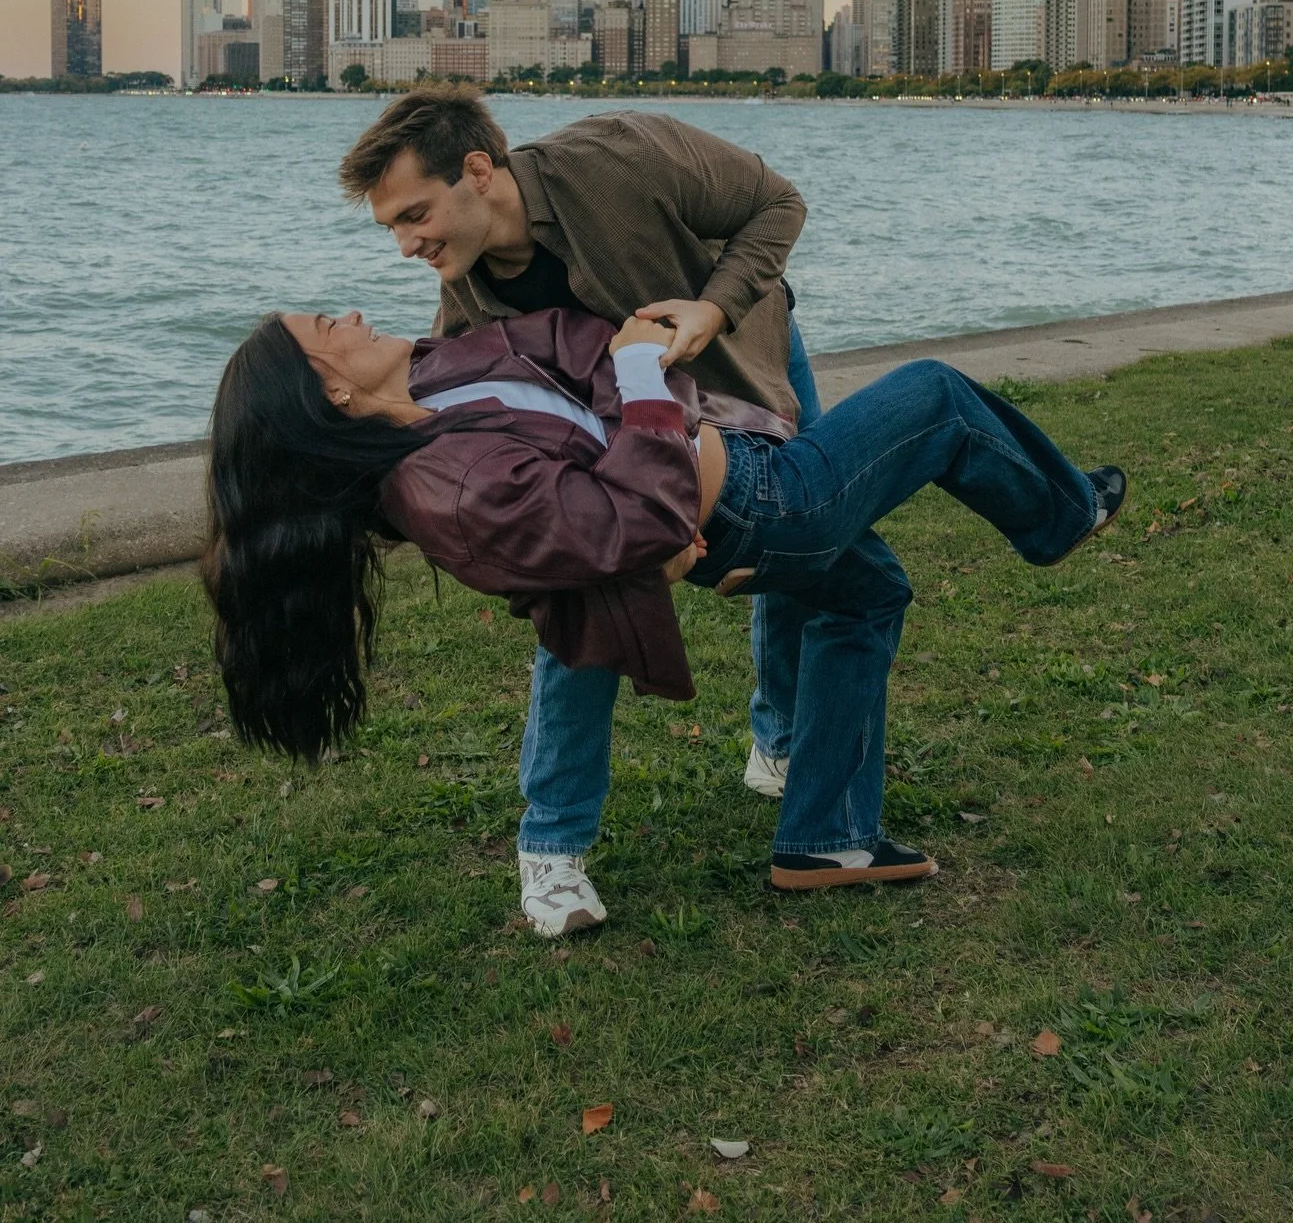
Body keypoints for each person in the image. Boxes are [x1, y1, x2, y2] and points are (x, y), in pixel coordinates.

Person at [204, 301, 1126, 931]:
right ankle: (1063, 514)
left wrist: (637, 398)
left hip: (728, 485)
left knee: (869, 592)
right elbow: (634, 507)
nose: (355, 315)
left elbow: (579, 342)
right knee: (934, 396)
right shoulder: (446, 484)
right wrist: (645, 395)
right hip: (763, 504)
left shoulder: (440, 373)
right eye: (331, 325)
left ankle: (829, 839)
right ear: (330, 390)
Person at [335, 87, 848, 931]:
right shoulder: (463, 301)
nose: (405, 244)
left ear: (478, 170)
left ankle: (782, 742)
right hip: (631, 425)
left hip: (744, 360)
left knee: (809, 555)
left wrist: (714, 308)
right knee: (580, 594)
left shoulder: (622, 152)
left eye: (415, 214)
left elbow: (776, 202)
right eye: (390, 225)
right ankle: (552, 850)